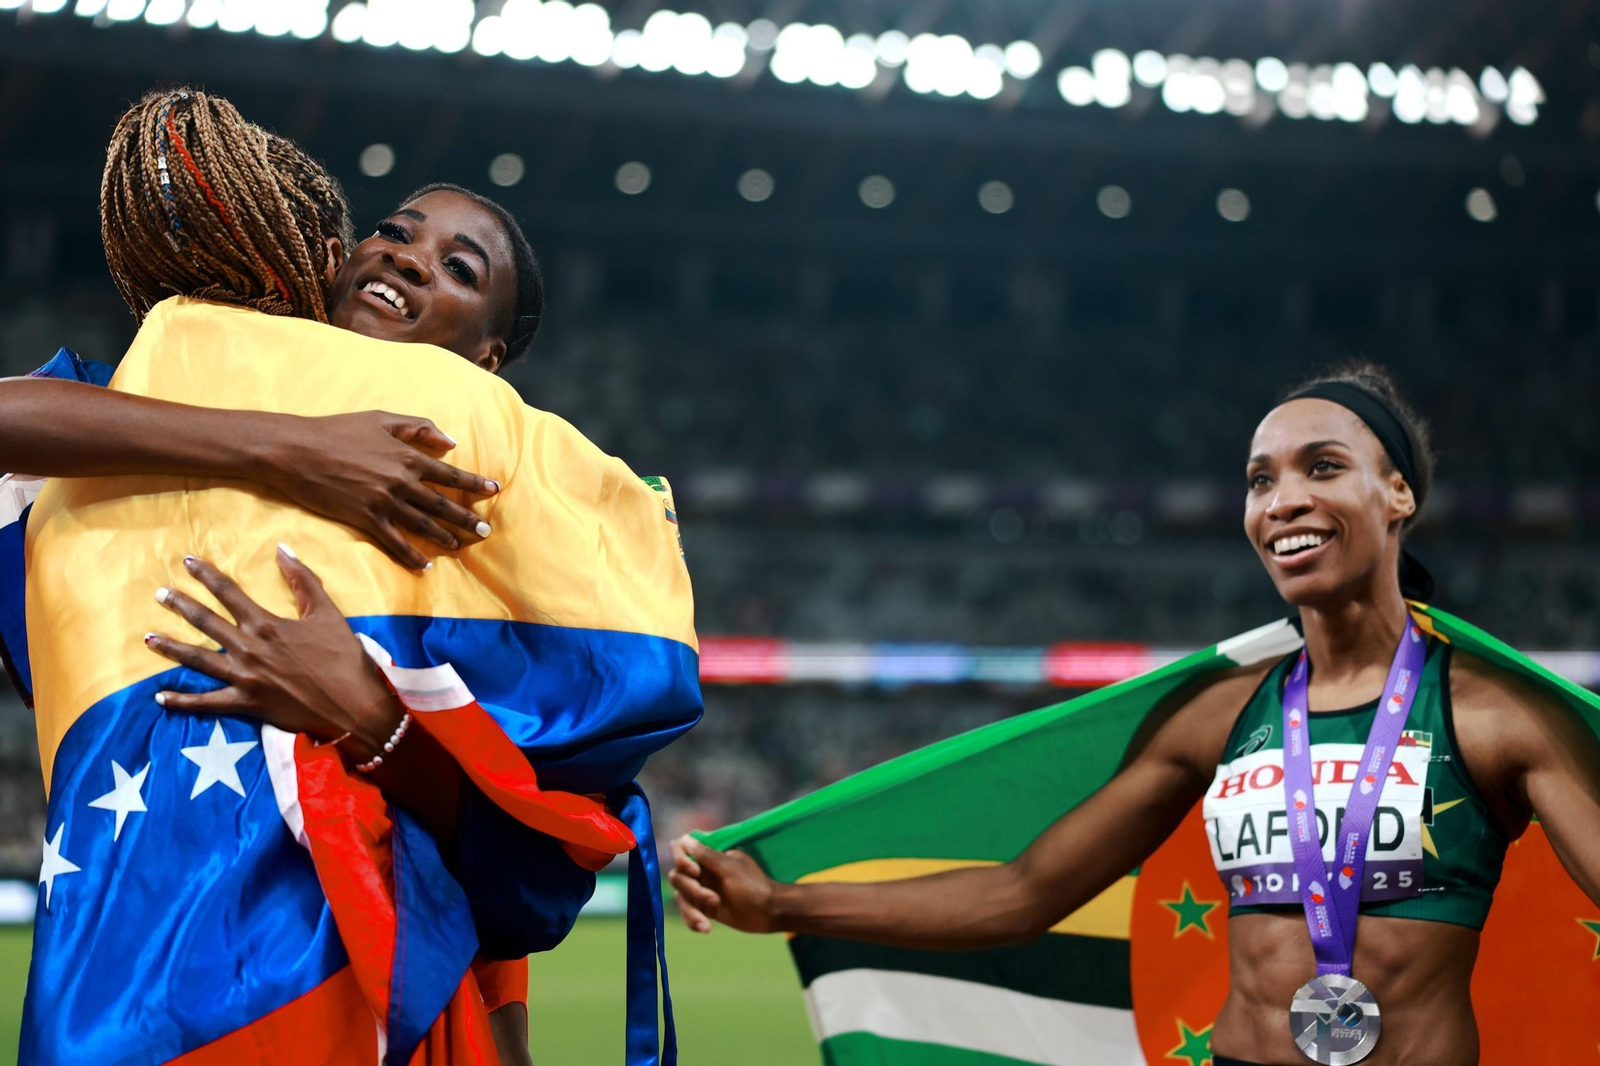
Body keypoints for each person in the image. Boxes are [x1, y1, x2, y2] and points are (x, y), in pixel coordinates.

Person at [19, 89, 698, 1066]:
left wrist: (374, 722)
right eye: (395, 230)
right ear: (339, 256)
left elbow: (516, 902)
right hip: (134, 972)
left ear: (485, 357)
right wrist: (290, 448)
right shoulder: (167, 384)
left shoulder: (481, 537)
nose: (409, 257)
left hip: (365, 1005)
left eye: (459, 269)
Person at [669, 364, 1600, 1066]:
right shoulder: (1219, 716)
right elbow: (1025, 892)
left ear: (1397, 494)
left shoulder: (1493, 717)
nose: (1285, 502)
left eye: (1323, 467)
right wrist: (784, 902)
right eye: (1260, 480)